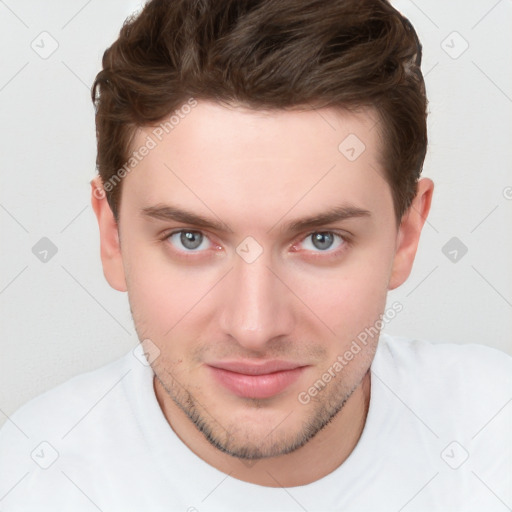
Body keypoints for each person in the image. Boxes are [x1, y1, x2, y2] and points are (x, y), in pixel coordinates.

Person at [0, 0, 510, 510]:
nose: (254, 327)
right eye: (190, 238)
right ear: (112, 237)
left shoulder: (495, 437)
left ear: (406, 235)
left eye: (320, 240)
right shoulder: (28, 483)